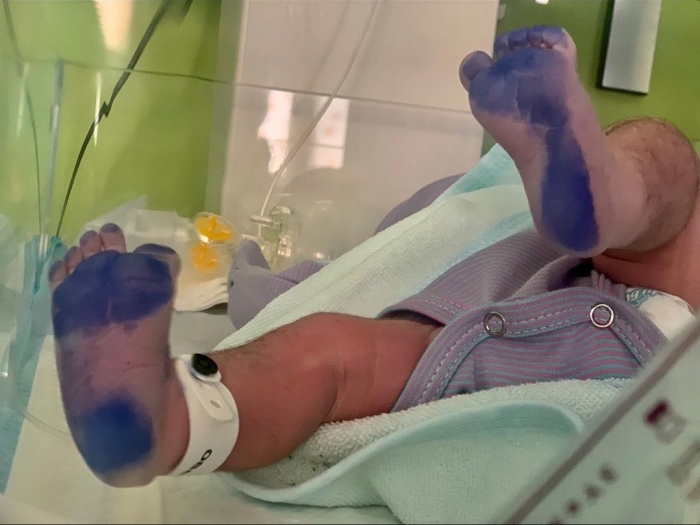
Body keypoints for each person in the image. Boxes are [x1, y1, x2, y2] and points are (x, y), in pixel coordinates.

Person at [49, 26, 699, 488]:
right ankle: (603, 193)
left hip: (638, 345)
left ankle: (173, 420)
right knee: (670, 162)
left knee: (344, 355)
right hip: (608, 285)